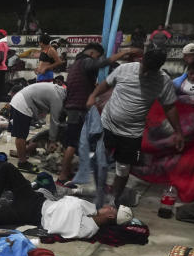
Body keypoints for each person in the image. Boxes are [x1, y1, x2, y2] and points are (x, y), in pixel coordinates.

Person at [86, 48, 182, 207]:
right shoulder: (125, 69)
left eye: (150, 71)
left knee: (123, 168)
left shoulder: (163, 81)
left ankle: (113, 200)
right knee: (99, 158)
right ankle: (100, 191)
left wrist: (178, 132)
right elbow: (106, 84)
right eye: (145, 68)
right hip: (108, 124)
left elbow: (169, 107)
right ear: (142, 61)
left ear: (158, 68)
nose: (145, 74)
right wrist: (92, 96)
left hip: (132, 133)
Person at [0, 160, 120, 238]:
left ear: (111, 215)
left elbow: (62, 230)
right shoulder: (90, 209)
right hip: (36, 199)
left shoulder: (89, 228)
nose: (107, 206)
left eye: (111, 208)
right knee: (6, 167)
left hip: (31, 213)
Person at [57, 43, 140, 183]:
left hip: (72, 106)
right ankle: (63, 176)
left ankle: (67, 172)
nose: (97, 59)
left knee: (74, 142)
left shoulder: (76, 65)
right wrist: (125, 52)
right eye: (97, 56)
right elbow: (103, 63)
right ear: (92, 53)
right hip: (78, 107)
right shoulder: (86, 61)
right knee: (73, 143)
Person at [8, 82, 67, 173]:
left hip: (22, 101)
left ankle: (22, 156)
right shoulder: (58, 98)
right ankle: (22, 163)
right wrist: (52, 141)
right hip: (22, 104)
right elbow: (54, 121)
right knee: (21, 135)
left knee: (23, 134)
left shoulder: (59, 91)